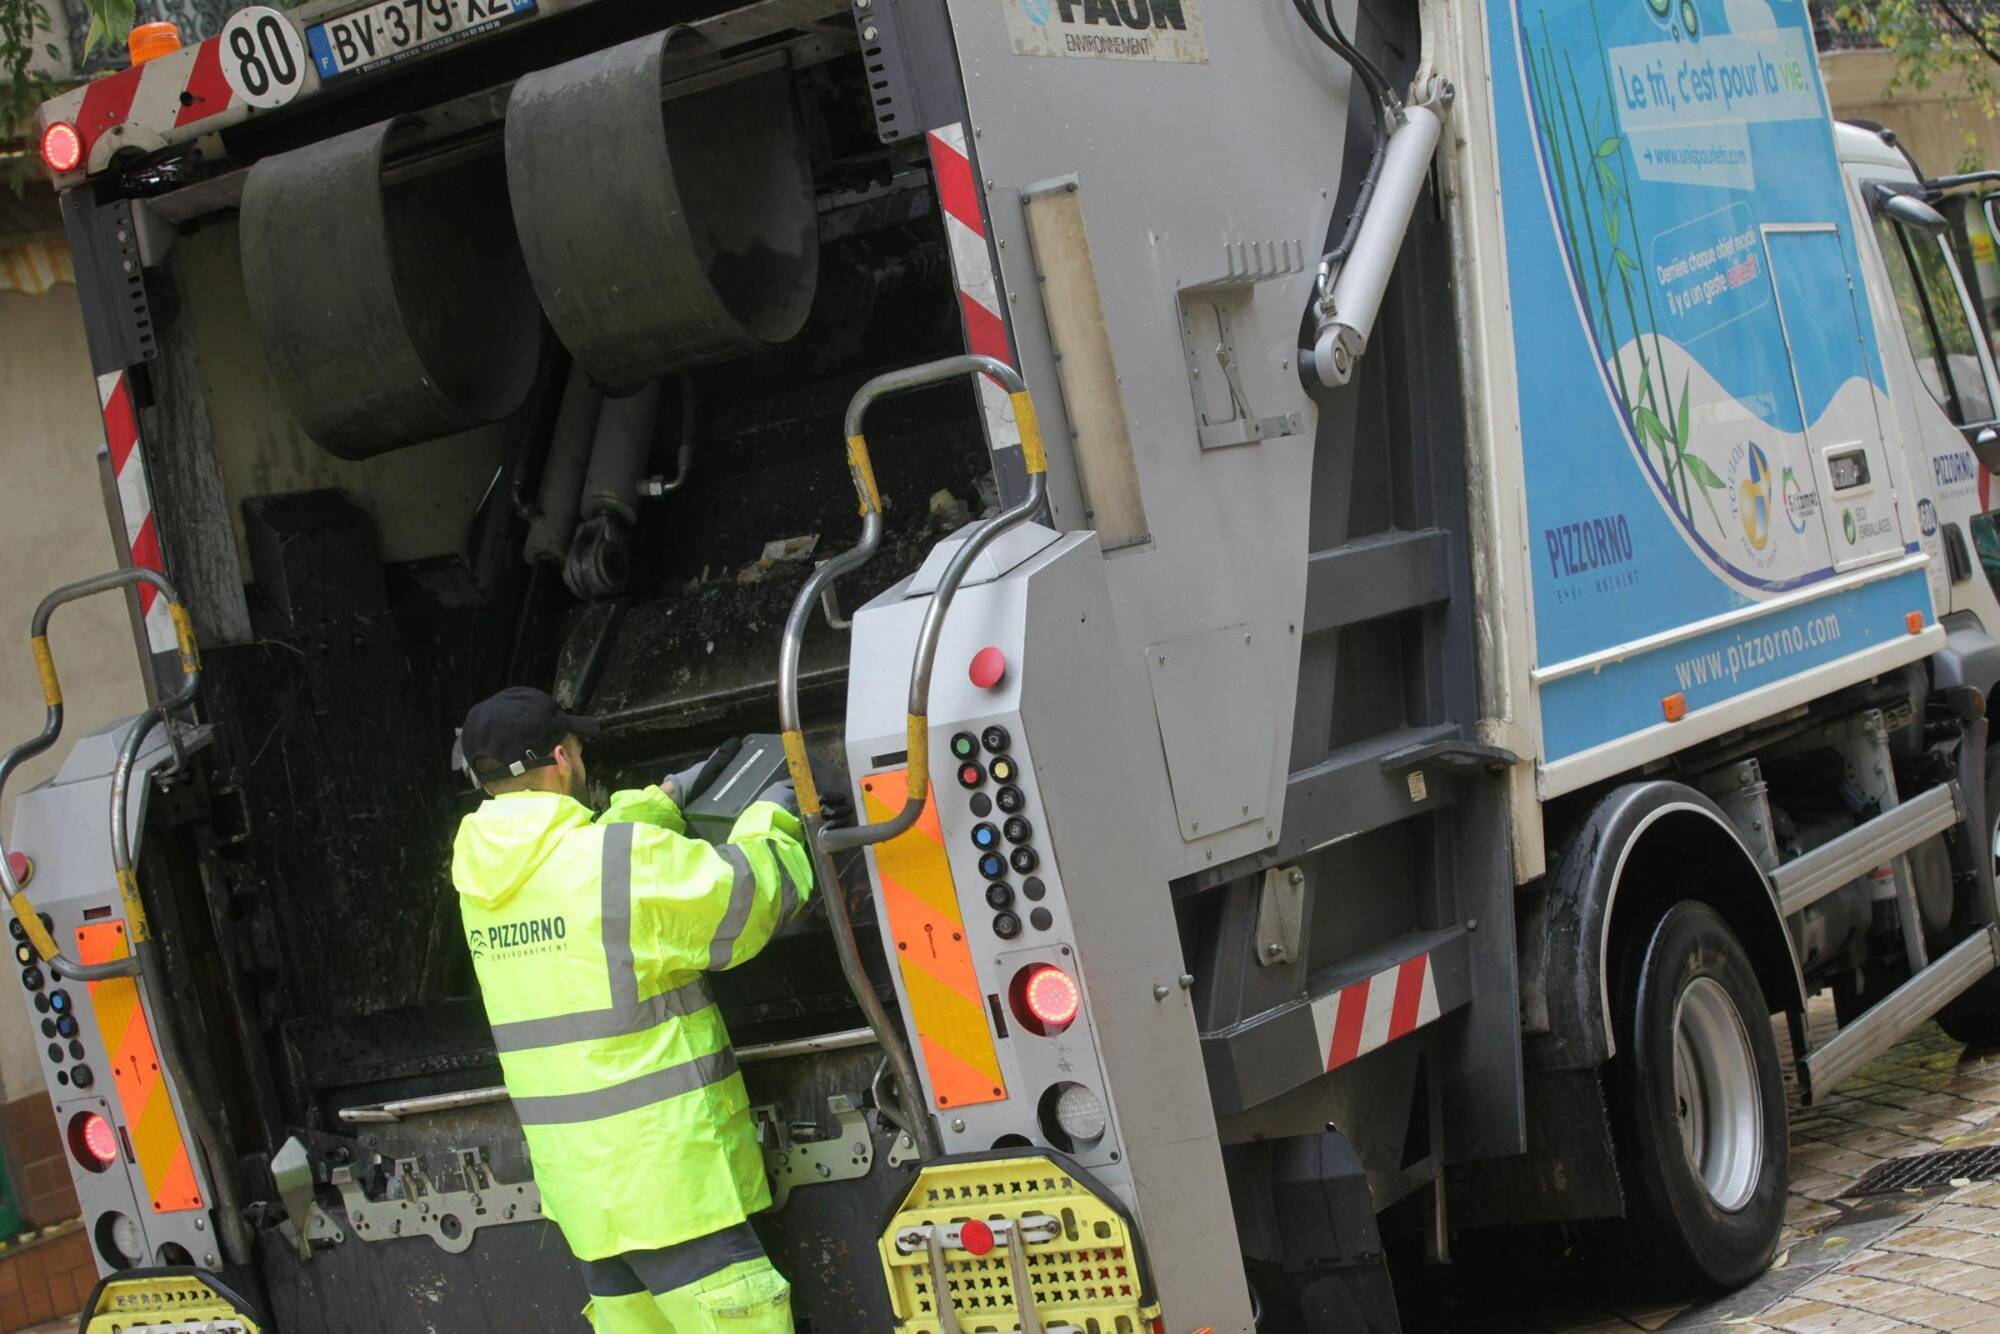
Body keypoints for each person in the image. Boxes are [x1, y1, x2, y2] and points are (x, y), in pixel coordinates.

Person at [451, 686, 812, 1333]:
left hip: (590, 1203)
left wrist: (660, 802)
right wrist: (774, 816)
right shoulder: (616, 863)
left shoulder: (481, 880)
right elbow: (752, 901)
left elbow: (583, 872)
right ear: (562, 758)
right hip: (674, 1187)